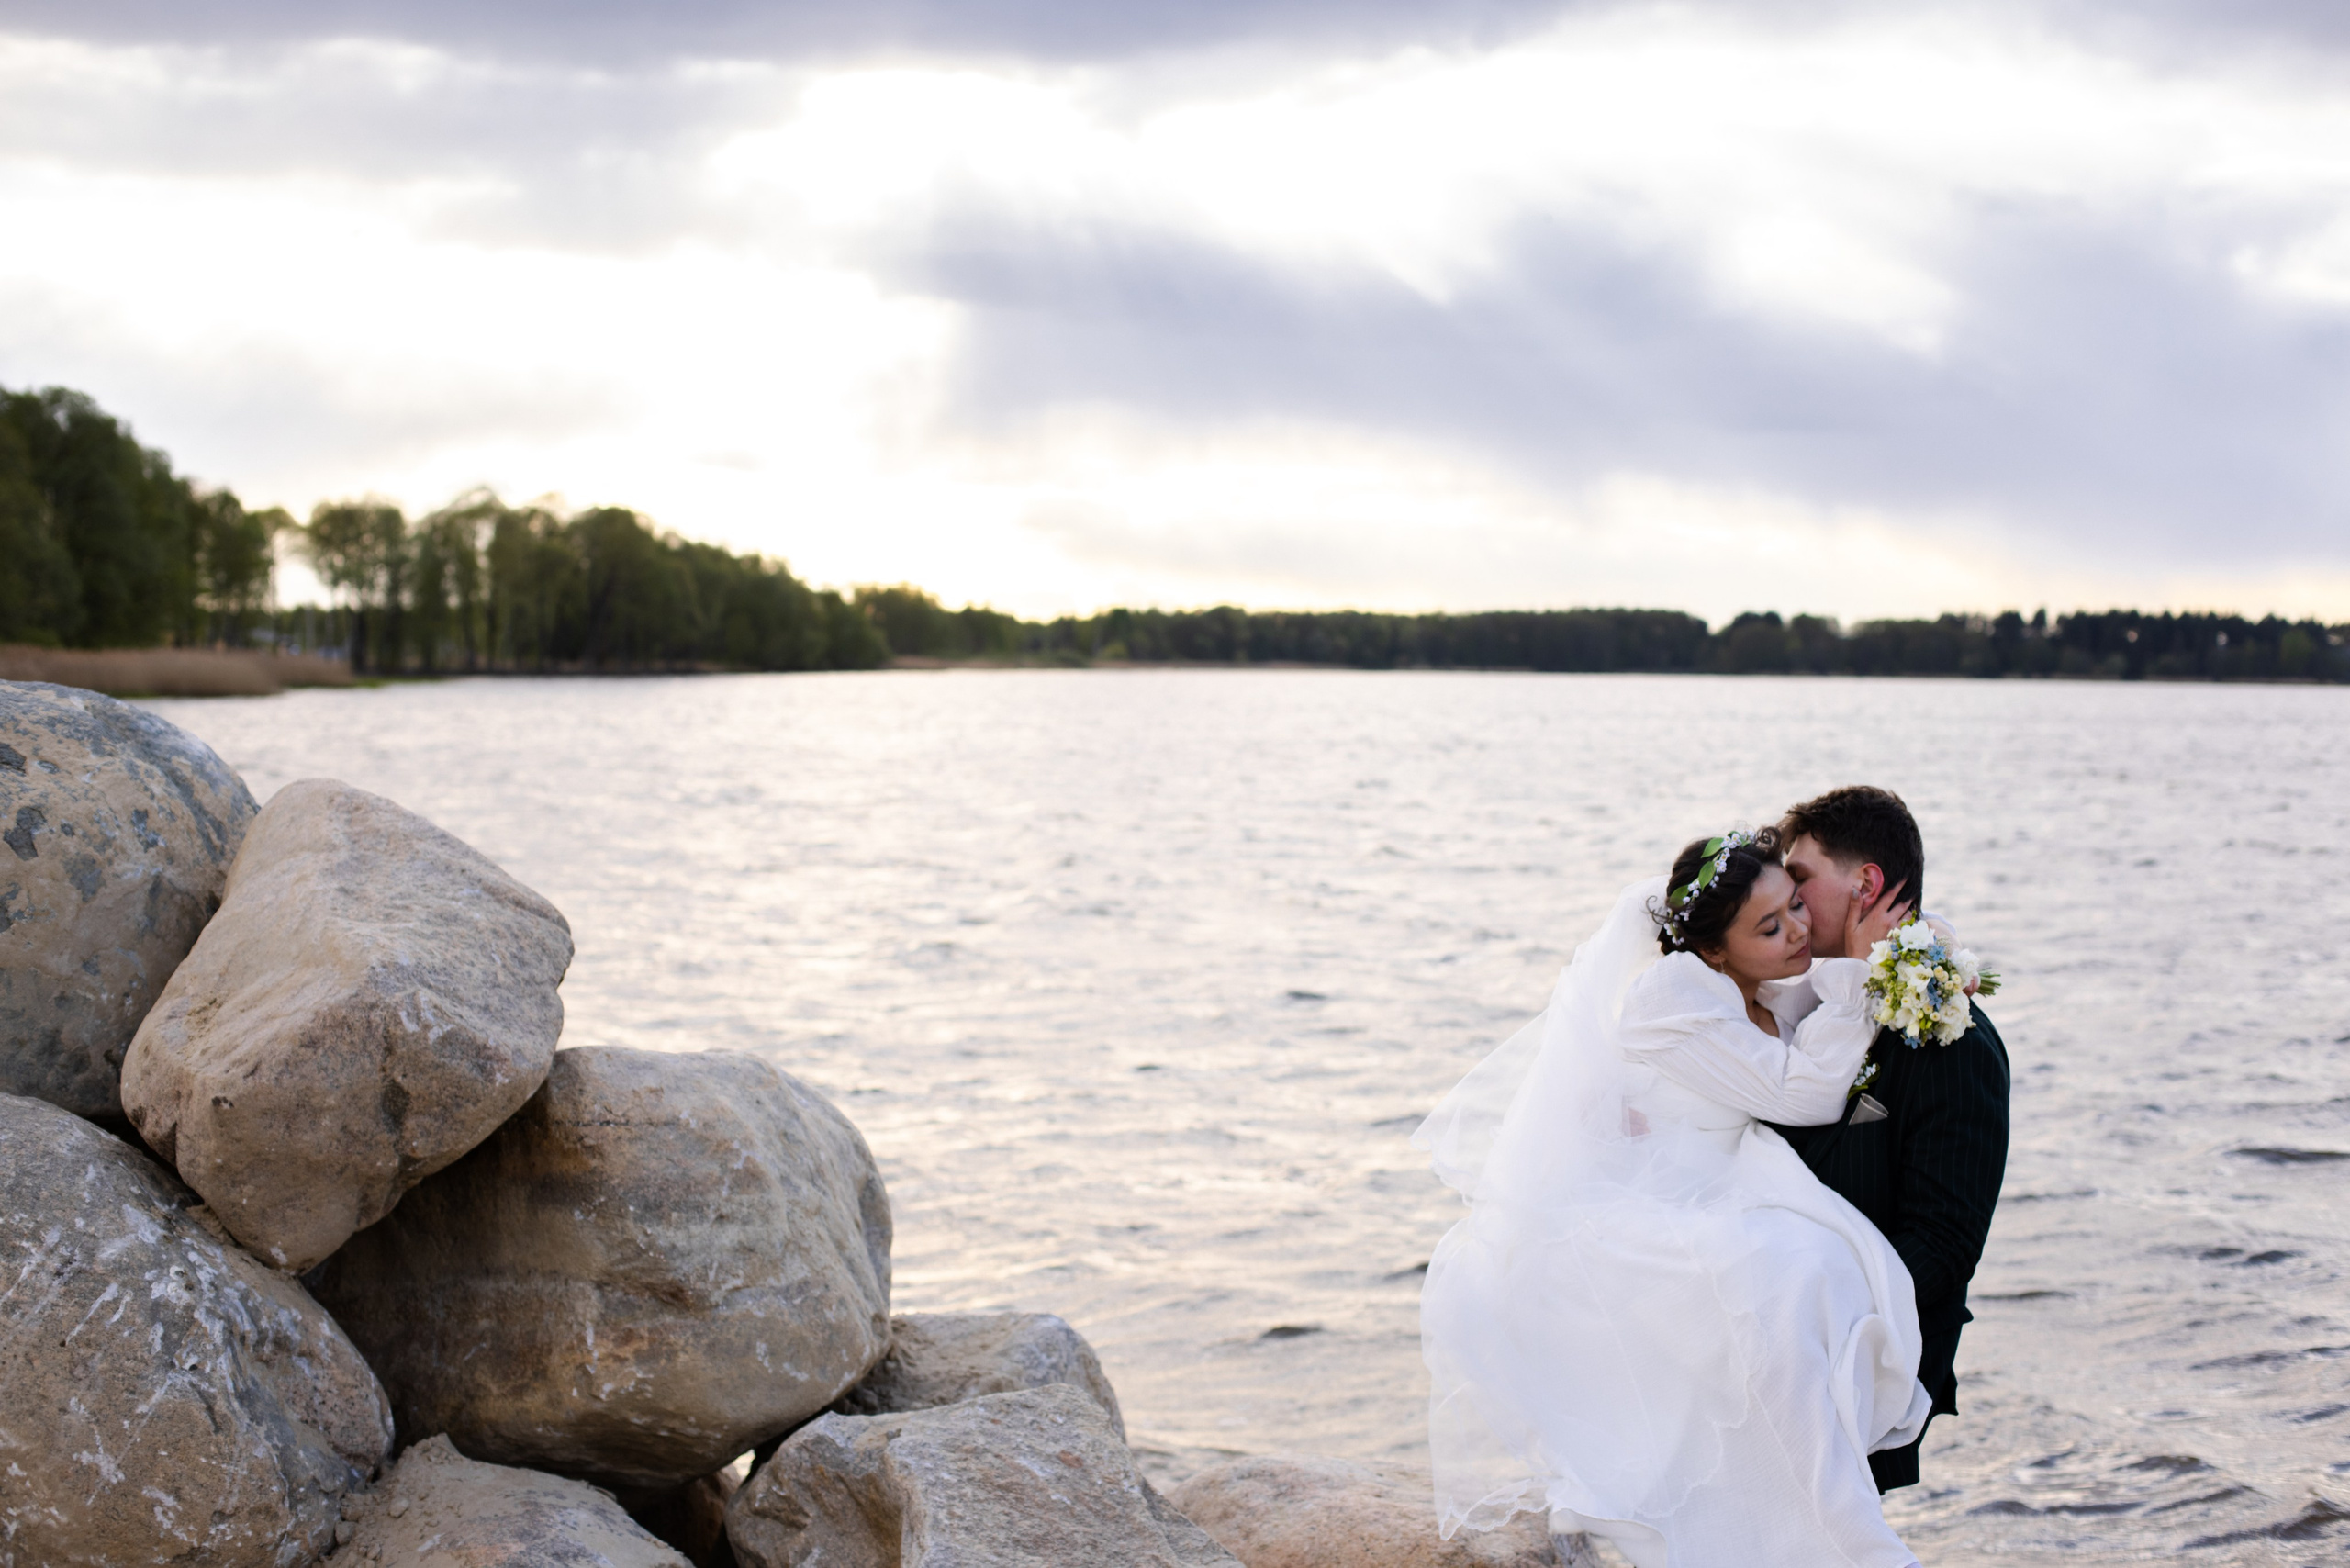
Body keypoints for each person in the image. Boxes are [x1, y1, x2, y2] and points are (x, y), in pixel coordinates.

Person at [1416, 827, 1932, 1568]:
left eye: (1793, 907)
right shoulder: (1670, 999)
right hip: (1639, 1216)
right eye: (1769, 926)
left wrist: (1912, 952)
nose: (1796, 931)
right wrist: (1859, 967)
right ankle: (1823, 1531)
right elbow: (1809, 1090)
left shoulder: (1741, 983)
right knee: (1790, 1282)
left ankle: (1808, 1512)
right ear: (1714, 950)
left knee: (1809, 1273)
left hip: (1708, 1186)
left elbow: (1804, 1012)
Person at [1768, 785, 2011, 1493]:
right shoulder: (1817, 1003)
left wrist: (1803, 1322)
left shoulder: (1950, 1038)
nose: (1789, 902)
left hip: (1859, 1351)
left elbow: (1942, 1245)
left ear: (1865, 884)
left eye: (1801, 880)